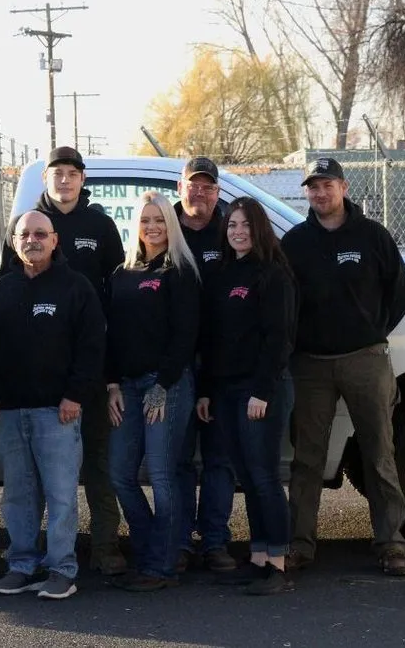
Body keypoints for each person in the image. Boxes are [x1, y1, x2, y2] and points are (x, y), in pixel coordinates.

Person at [281, 157, 405, 577]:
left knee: (379, 453)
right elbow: (284, 303)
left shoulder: (373, 236)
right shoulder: (295, 243)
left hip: (365, 361)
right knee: (307, 460)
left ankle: (391, 543)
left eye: (327, 185)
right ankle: (300, 545)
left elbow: (401, 293)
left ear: (343, 186)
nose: (320, 193)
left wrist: (371, 333)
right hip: (311, 367)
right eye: (312, 187)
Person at [0, 146, 127, 575]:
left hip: (91, 365)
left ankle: (105, 546)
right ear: (46, 180)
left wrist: (109, 376)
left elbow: (116, 291)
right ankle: (30, 557)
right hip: (38, 377)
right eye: (58, 173)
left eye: (73, 173)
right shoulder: (25, 225)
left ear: (82, 180)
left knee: (97, 463)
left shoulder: (100, 225)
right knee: (37, 480)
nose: (65, 180)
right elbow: (8, 285)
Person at [0, 210, 106, 600]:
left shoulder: (75, 287)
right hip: (12, 411)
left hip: (59, 411)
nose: (32, 240)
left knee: (61, 495)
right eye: (25, 234)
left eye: (41, 234)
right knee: (18, 495)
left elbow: (92, 347)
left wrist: (75, 394)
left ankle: (61, 569)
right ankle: (22, 564)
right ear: (15, 241)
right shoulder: (2, 289)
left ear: (55, 240)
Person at [197, 197, 297, 595]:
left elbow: (279, 338)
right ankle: (258, 557)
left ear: (259, 229)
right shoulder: (221, 274)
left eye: (246, 225)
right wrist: (205, 390)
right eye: (232, 225)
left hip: (261, 391)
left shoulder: (273, 274)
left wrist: (262, 391)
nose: (238, 231)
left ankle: (278, 563)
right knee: (246, 476)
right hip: (225, 390)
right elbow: (212, 339)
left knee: (265, 476)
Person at [104, 191, 200, 592]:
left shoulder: (180, 271)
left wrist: (162, 385)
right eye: (145, 220)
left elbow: (185, 336)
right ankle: (149, 551)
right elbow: (110, 335)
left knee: (162, 475)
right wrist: (111, 384)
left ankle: (162, 565)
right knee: (121, 474)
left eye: (159, 220)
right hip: (125, 387)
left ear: (170, 225)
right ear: (136, 225)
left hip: (167, 385)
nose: (152, 227)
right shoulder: (121, 273)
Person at [173, 156, 238, 573]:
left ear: (218, 192)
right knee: (176, 459)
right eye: (193, 185)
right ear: (181, 188)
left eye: (208, 186)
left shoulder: (233, 230)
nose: (200, 192)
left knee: (219, 458)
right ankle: (178, 542)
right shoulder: (163, 226)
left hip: (222, 361)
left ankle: (215, 541)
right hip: (176, 362)